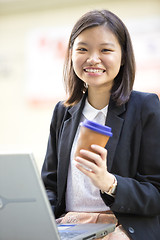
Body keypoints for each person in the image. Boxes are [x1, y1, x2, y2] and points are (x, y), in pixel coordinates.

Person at [41, 9, 160, 240]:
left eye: (105, 50)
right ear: (71, 55)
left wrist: (110, 183)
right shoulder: (62, 112)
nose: (93, 58)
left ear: (123, 56)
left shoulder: (145, 107)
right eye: (83, 49)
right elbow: (50, 185)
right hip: (69, 226)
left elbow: (156, 193)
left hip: (121, 226)